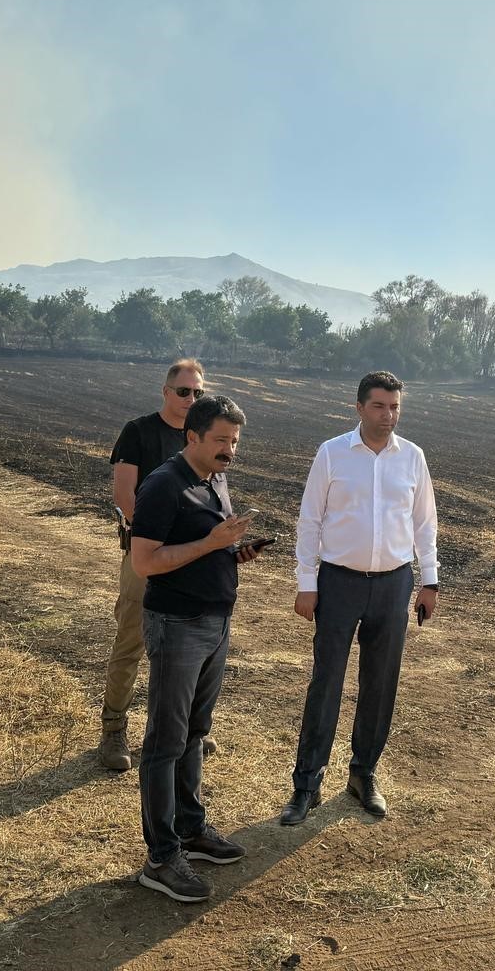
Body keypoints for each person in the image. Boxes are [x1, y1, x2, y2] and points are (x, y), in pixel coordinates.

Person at [279, 370, 440, 826]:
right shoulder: (332, 454)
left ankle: (363, 774)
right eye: (378, 406)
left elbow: (425, 523)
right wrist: (306, 583)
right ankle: (306, 784)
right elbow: (310, 521)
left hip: (393, 584)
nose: (388, 415)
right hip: (338, 583)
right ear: (358, 407)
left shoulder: (412, 458)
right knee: (326, 682)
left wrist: (429, 582)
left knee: (380, 683)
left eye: (394, 407)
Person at [131, 393, 261, 902]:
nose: (230, 450)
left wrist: (232, 552)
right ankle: (160, 858)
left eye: (235, 441)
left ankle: (191, 829)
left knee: (194, 732)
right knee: (165, 741)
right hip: (176, 624)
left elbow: (207, 542)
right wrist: (210, 546)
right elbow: (145, 562)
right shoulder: (163, 485)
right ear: (193, 437)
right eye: (221, 441)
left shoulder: (215, 479)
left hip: (215, 622)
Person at [98, 359, 216, 771]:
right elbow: (125, 496)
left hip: (192, 559)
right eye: (184, 391)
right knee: (132, 641)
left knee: (189, 647)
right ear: (166, 392)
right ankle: (113, 728)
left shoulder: (202, 436)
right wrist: (160, 543)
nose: (191, 399)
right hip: (146, 556)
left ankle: (184, 730)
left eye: (198, 393)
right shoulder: (139, 432)